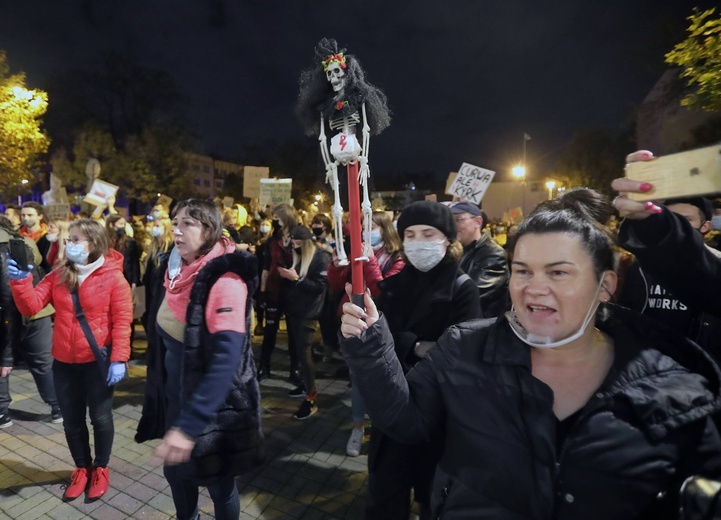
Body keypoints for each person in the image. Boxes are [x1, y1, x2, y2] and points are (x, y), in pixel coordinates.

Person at [340, 192, 721, 519]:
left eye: (557, 273)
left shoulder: (670, 387)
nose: (534, 289)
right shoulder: (466, 348)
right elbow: (406, 420)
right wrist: (372, 343)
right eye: (522, 271)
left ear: (605, 284)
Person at [357, 200, 481, 520]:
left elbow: (461, 354)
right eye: (409, 235)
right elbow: (382, 340)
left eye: (428, 234)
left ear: (447, 239)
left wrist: (405, 344)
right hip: (394, 407)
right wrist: (419, 345)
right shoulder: (394, 285)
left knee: (434, 502)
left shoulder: (463, 288)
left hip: (440, 416)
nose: (418, 242)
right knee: (384, 498)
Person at [150, 199, 263, 520]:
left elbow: (224, 364)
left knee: (220, 489)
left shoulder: (225, 282)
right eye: (176, 222)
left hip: (213, 412)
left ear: (210, 229)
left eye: (188, 223)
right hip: (179, 405)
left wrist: (188, 427)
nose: (177, 230)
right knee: (177, 477)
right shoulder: (175, 271)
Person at [8, 218, 132, 501]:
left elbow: (123, 321)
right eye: (68, 240)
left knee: (100, 418)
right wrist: (20, 281)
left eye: (75, 240)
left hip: (97, 362)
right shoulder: (58, 275)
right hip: (64, 362)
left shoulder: (113, 277)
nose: (69, 245)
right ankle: (81, 468)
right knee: (72, 422)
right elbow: (31, 305)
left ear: (94, 243)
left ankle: (101, 467)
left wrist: (119, 358)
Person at [327, 210, 405, 456]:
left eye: (371, 226)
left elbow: (384, 289)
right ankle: (358, 427)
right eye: (363, 226)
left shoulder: (398, 258)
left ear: (385, 230)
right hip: (355, 323)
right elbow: (338, 283)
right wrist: (337, 263)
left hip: (384, 327)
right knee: (359, 379)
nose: (365, 231)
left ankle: (381, 426)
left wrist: (368, 261)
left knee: (382, 379)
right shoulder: (356, 251)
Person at [618, 196, 721, 364]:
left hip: (700, 369)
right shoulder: (641, 265)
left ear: (705, 226)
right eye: (672, 219)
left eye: (687, 220)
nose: (678, 227)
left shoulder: (716, 265)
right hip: (650, 364)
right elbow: (627, 311)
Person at [278, 225, 330, 420]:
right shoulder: (297, 255)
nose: (295, 246)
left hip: (308, 313)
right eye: (293, 243)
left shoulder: (320, 258)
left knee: (305, 353)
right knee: (298, 351)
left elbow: (319, 287)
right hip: (294, 311)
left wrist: (297, 279)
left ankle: (311, 396)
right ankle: (306, 385)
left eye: (298, 243)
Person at [135, 214, 174, 442]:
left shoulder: (171, 252)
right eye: (153, 225)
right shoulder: (152, 250)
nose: (154, 229)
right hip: (152, 310)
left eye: (158, 225)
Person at [258, 203, 298, 383]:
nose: (274, 222)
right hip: (274, 290)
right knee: (270, 331)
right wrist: (262, 291)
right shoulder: (272, 241)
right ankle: (264, 367)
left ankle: (295, 369)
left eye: (277, 219)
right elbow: (266, 267)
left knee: (293, 333)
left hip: (293, 291)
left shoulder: (299, 237)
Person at [449, 201, 510, 318]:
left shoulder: (493, 253)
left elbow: (469, 293)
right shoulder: (458, 250)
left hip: (481, 328)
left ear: (478, 222)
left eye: (458, 219)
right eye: (451, 221)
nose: (453, 225)